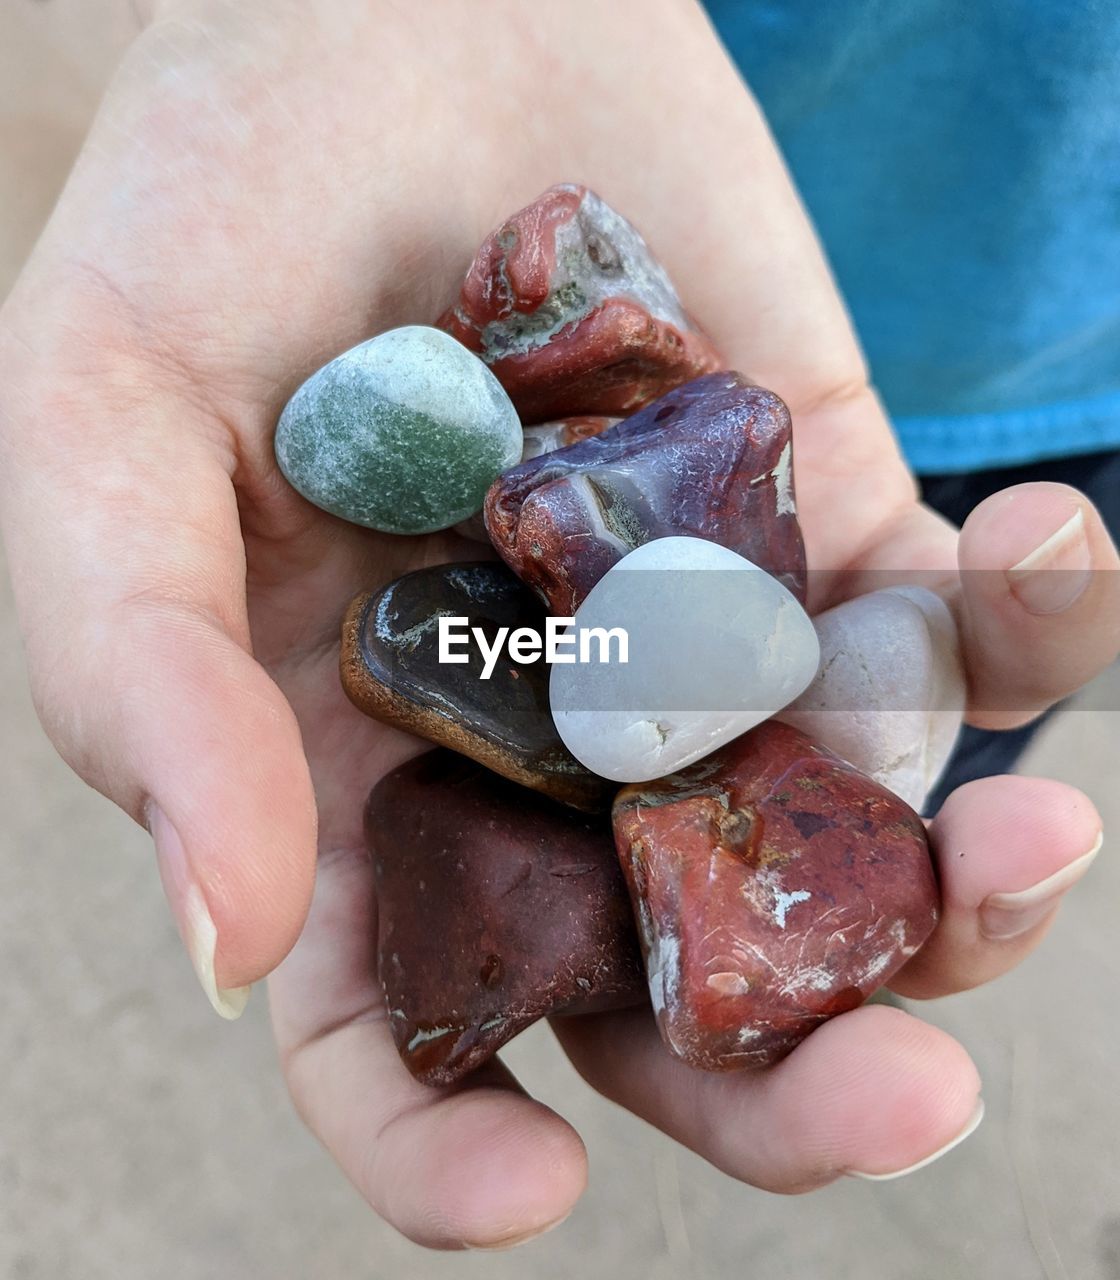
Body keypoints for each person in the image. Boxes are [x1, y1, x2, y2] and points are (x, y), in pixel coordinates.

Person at [0, 0, 1115, 1251]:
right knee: (899, 716)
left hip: (1067, 357)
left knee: (946, 721)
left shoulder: (664, 525)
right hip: (740, 212)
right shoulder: (596, 512)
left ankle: (834, 813)